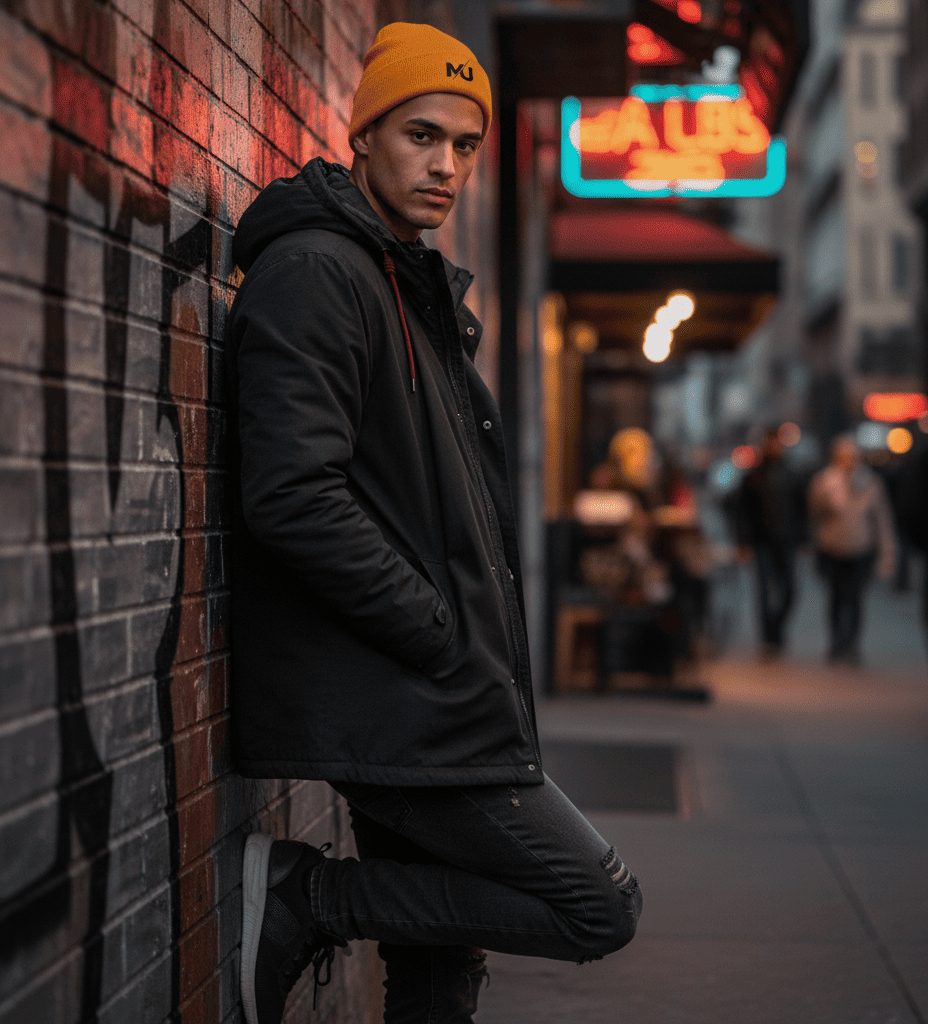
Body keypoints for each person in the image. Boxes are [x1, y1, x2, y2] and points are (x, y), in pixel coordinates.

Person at [224, 23, 642, 1024]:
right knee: (597, 904)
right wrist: (434, 628)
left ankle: (319, 903)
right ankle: (308, 896)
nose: (446, 165)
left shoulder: (401, 283)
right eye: (421, 135)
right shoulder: (322, 272)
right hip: (410, 701)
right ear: (363, 135)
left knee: (437, 979)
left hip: (434, 697)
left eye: (465, 144)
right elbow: (292, 492)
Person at [808, 435, 896, 665]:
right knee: (835, 598)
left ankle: (852, 644)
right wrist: (825, 496)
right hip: (831, 549)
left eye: (852, 457)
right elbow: (814, 514)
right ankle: (836, 642)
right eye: (844, 456)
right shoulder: (825, 481)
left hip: (861, 550)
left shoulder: (871, 483)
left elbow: (882, 521)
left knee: (855, 598)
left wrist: (887, 554)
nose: (848, 461)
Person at [733, 429, 803, 658]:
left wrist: (803, 538)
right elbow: (741, 512)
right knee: (764, 592)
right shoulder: (753, 477)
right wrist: (743, 541)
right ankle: (768, 638)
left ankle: (776, 628)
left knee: (790, 591)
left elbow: (802, 509)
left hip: (787, 541)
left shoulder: (792, 473)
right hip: (761, 541)